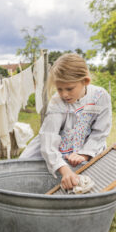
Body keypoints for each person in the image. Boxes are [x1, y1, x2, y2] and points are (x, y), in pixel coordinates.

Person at [20, 53, 112, 190]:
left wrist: (84, 154)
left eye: (69, 89)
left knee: (97, 179)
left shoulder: (100, 97)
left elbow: (100, 132)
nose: (64, 94)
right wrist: (64, 170)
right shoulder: (57, 102)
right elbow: (49, 138)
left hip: (87, 146)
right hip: (56, 148)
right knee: (24, 175)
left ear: (85, 81)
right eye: (59, 89)